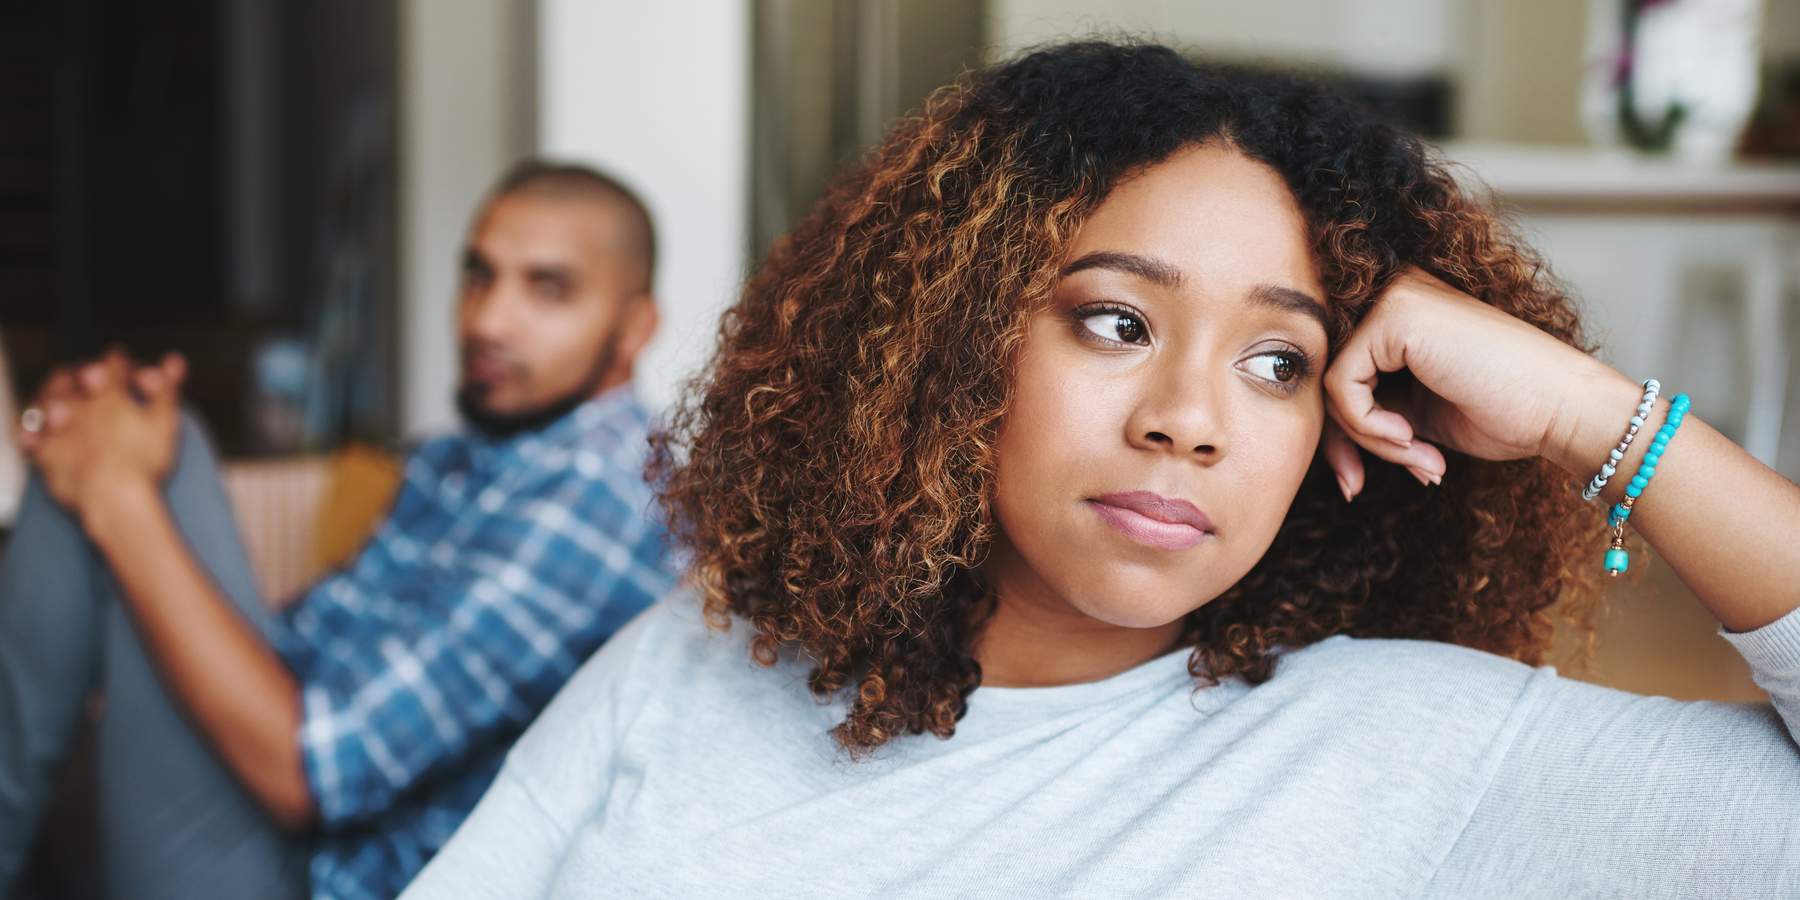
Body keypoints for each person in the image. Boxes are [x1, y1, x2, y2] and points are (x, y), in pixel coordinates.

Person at [405, 42, 1800, 897]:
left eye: (1279, 363)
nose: (1189, 419)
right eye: (1116, 323)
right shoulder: (694, 661)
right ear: (951, 349)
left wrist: (1596, 417)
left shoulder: (1417, 752)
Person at [0, 160, 678, 900]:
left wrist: (117, 493)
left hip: (319, 874)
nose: (486, 319)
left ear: (634, 327)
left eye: (548, 289)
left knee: (148, 457)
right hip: (277, 807)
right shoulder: (468, 456)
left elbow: (312, 775)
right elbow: (298, 649)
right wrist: (105, 452)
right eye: (479, 276)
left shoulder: (600, 497)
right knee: (134, 424)